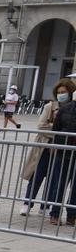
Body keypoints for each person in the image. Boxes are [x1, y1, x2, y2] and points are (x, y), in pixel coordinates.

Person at [20, 80, 70, 216]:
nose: (61, 95)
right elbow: (42, 126)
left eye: (64, 92)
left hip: (61, 148)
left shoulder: (72, 108)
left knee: (54, 178)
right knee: (37, 175)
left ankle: (45, 205)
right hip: (45, 146)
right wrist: (58, 133)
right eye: (59, 93)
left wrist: (54, 128)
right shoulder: (50, 107)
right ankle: (27, 203)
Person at [44, 80, 76, 225]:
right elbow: (56, 129)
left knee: (71, 186)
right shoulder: (64, 109)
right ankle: (56, 214)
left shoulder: (64, 109)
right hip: (63, 151)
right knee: (60, 184)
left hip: (67, 150)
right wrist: (55, 145)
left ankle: (70, 216)